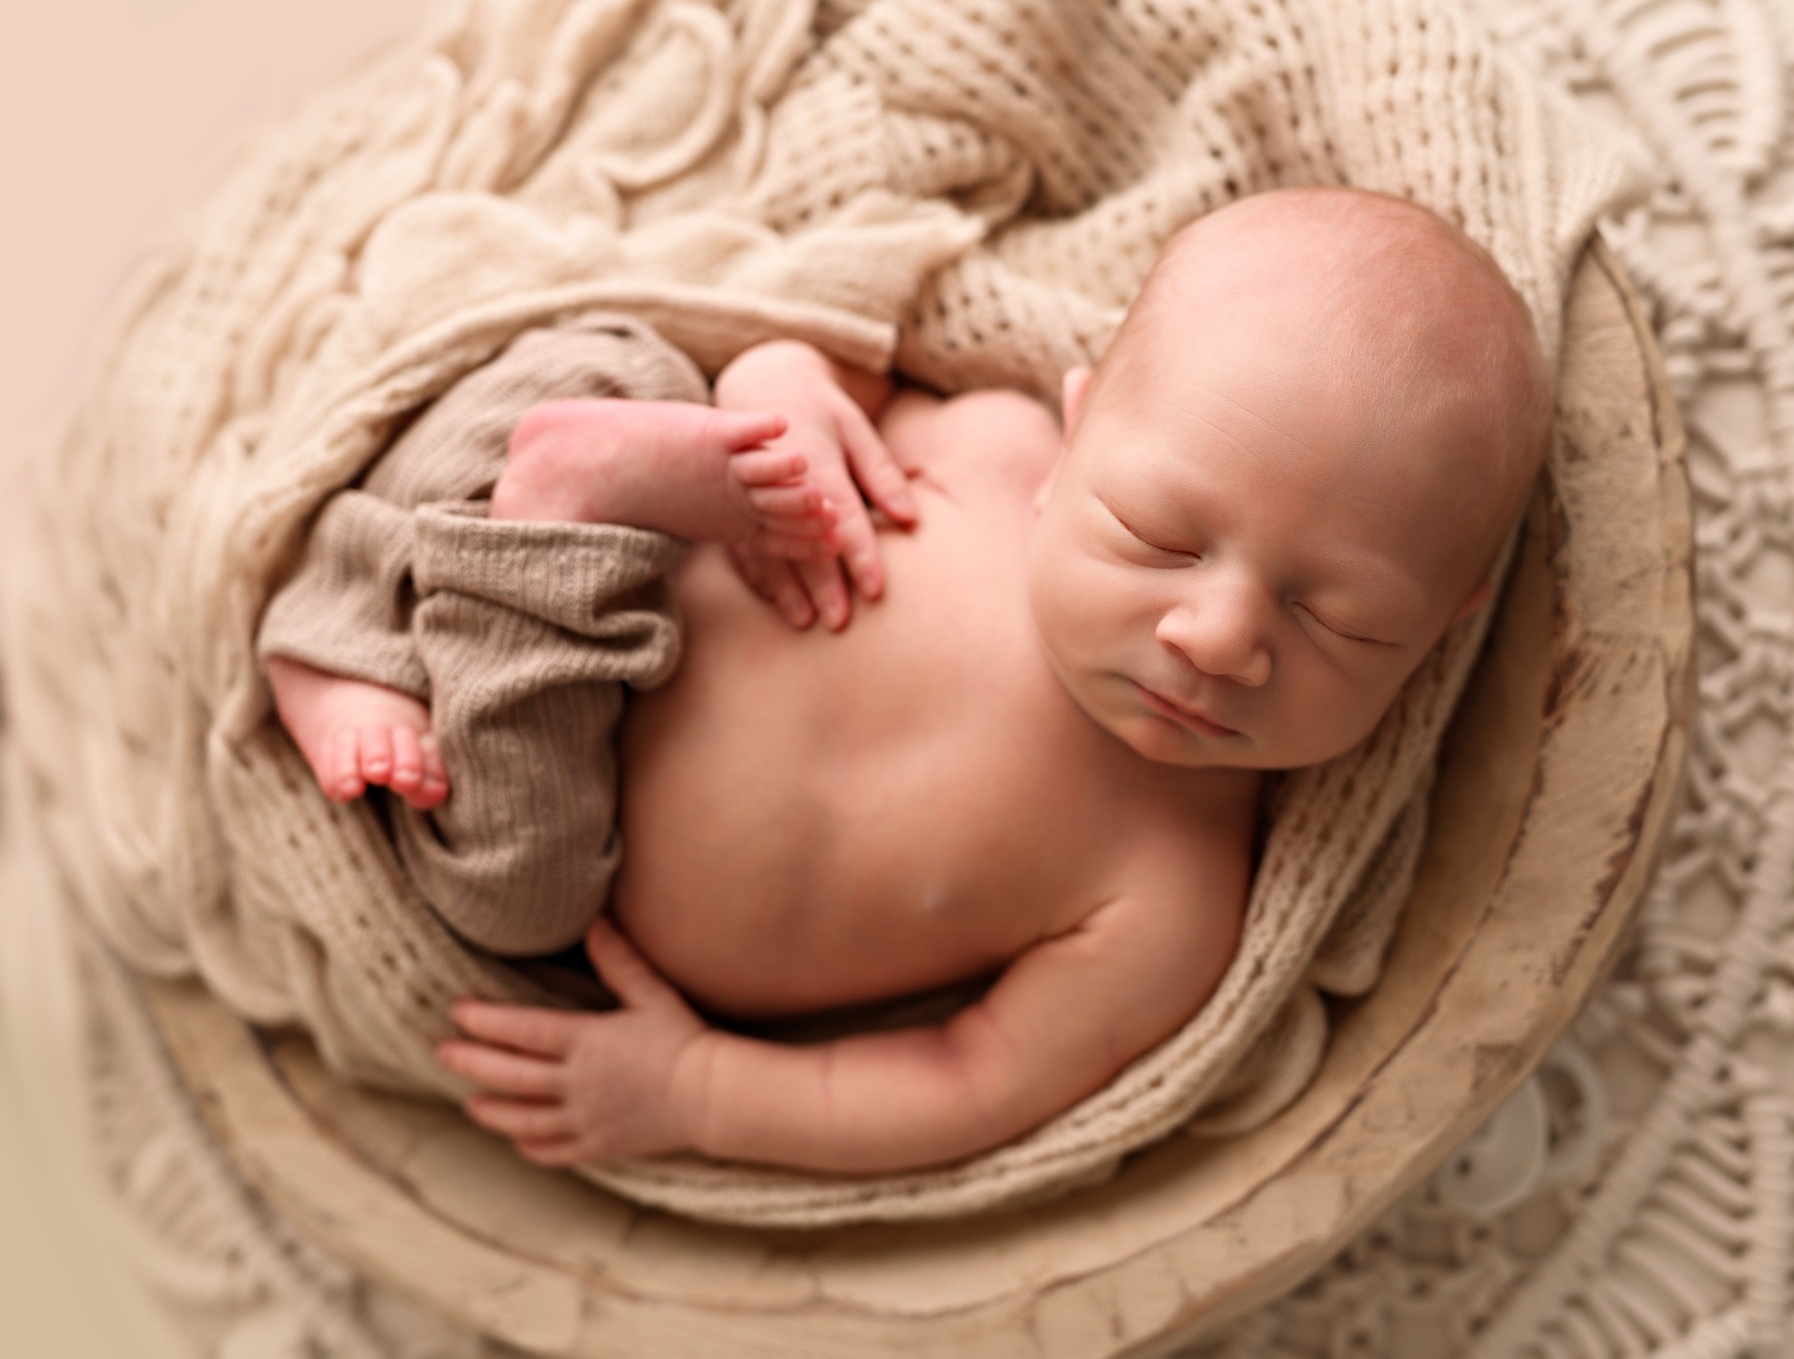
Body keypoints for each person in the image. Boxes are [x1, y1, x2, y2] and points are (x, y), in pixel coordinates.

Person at [260, 187, 1552, 1174]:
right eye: (1160, 538)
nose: (1217, 638)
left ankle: (443, 587)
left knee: (511, 903)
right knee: (616, 368)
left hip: (569, 817)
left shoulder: (1172, 904)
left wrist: (696, 1094)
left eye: (1337, 622)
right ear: (1078, 430)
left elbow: (965, 1084)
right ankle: (359, 617)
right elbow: (833, 375)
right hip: (649, 553)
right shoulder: (992, 446)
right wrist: (785, 390)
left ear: (1444, 626)